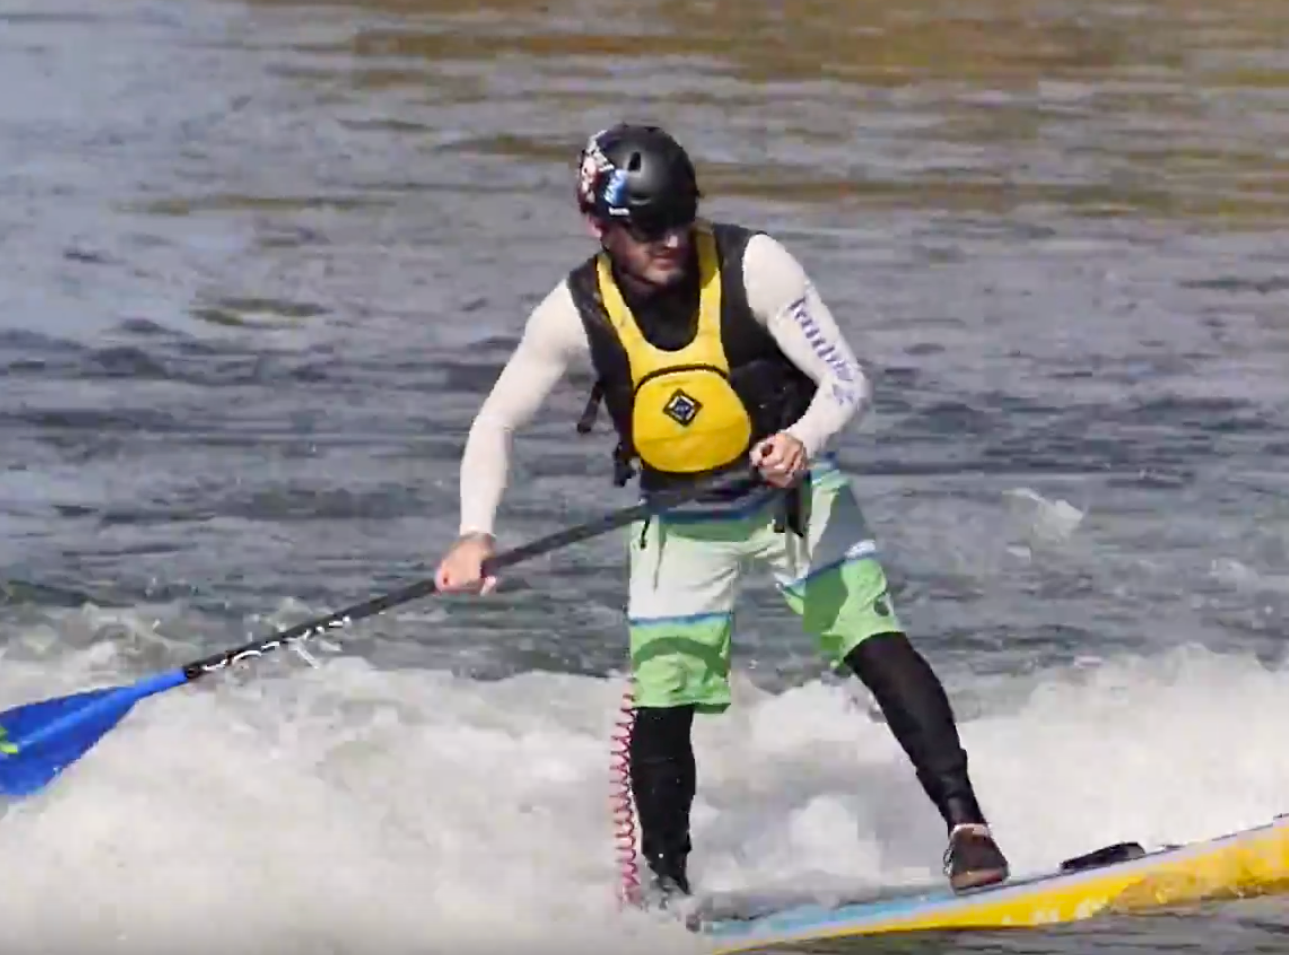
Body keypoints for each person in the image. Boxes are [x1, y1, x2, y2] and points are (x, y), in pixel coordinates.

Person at [431, 123, 1010, 907]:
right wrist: (475, 533)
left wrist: (802, 440)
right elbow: (496, 423)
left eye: (681, 217)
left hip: (793, 499)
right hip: (681, 524)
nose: (671, 240)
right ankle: (668, 895)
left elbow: (846, 382)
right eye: (649, 228)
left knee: (873, 642)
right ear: (599, 226)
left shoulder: (754, 267)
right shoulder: (573, 313)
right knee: (664, 702)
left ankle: (967, 827)